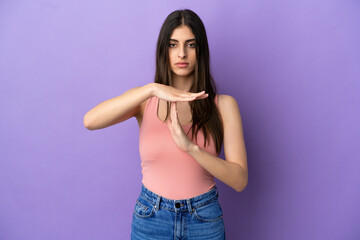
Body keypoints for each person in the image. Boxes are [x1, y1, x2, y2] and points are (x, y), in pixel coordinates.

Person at [83, 8, 248, 240]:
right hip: (151, 218)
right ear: (164, 50)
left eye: (190, 44)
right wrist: (151, 89)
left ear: (200, 50)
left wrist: (191, 148)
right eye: (173, 45)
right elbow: (90, 121)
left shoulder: (224, 105)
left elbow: (239, 180)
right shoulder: (144, 101)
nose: (182, 53)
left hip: (204, 219)